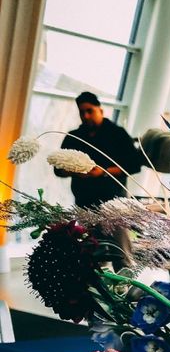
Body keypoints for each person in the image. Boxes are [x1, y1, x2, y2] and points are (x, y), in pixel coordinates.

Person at [54, 92, 143, 268]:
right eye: (82, 112)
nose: (86, 116)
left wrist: (102, 172)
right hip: (85, 204)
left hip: (114, 203)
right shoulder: (74, 137)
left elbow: (134, 165)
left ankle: (126, 289)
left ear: (100, 110)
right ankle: (98, 291)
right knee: (91, 254)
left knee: (121, 252)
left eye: (90, 111)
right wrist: (73, 171)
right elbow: (58, 169)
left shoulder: (117, 134)